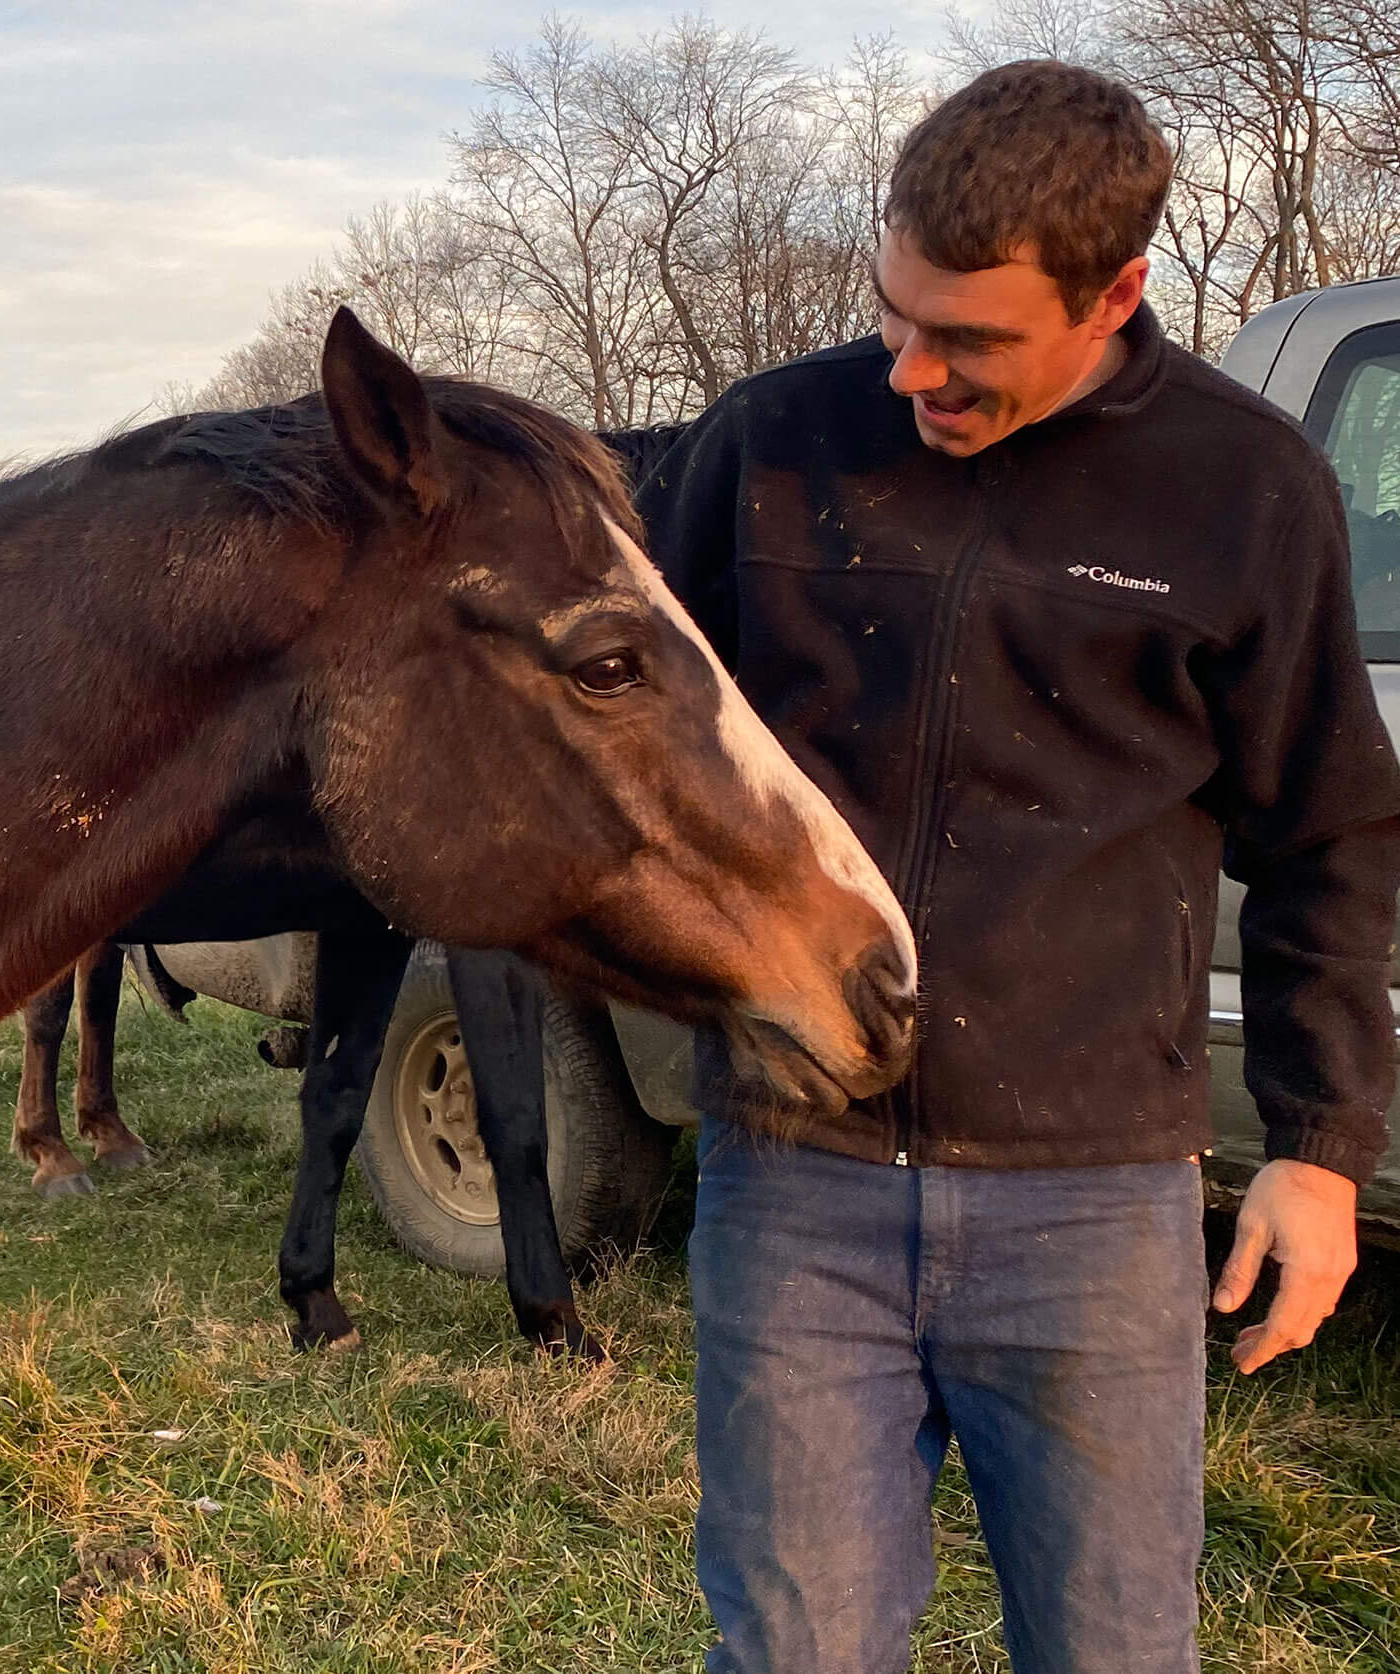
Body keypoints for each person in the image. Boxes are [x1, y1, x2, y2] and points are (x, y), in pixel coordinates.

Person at [615, 60, 1400, 1674]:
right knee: (790, 1653)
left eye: (968, 339)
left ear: (1116, 292)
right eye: (894, 312)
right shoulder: (772, 444)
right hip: (795, 1185)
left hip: (1094, 1200)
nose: (911, 369)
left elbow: (1330, 833)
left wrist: (1320, 1147)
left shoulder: (1245, 489)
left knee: (1113, 1651)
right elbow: (623, 744)